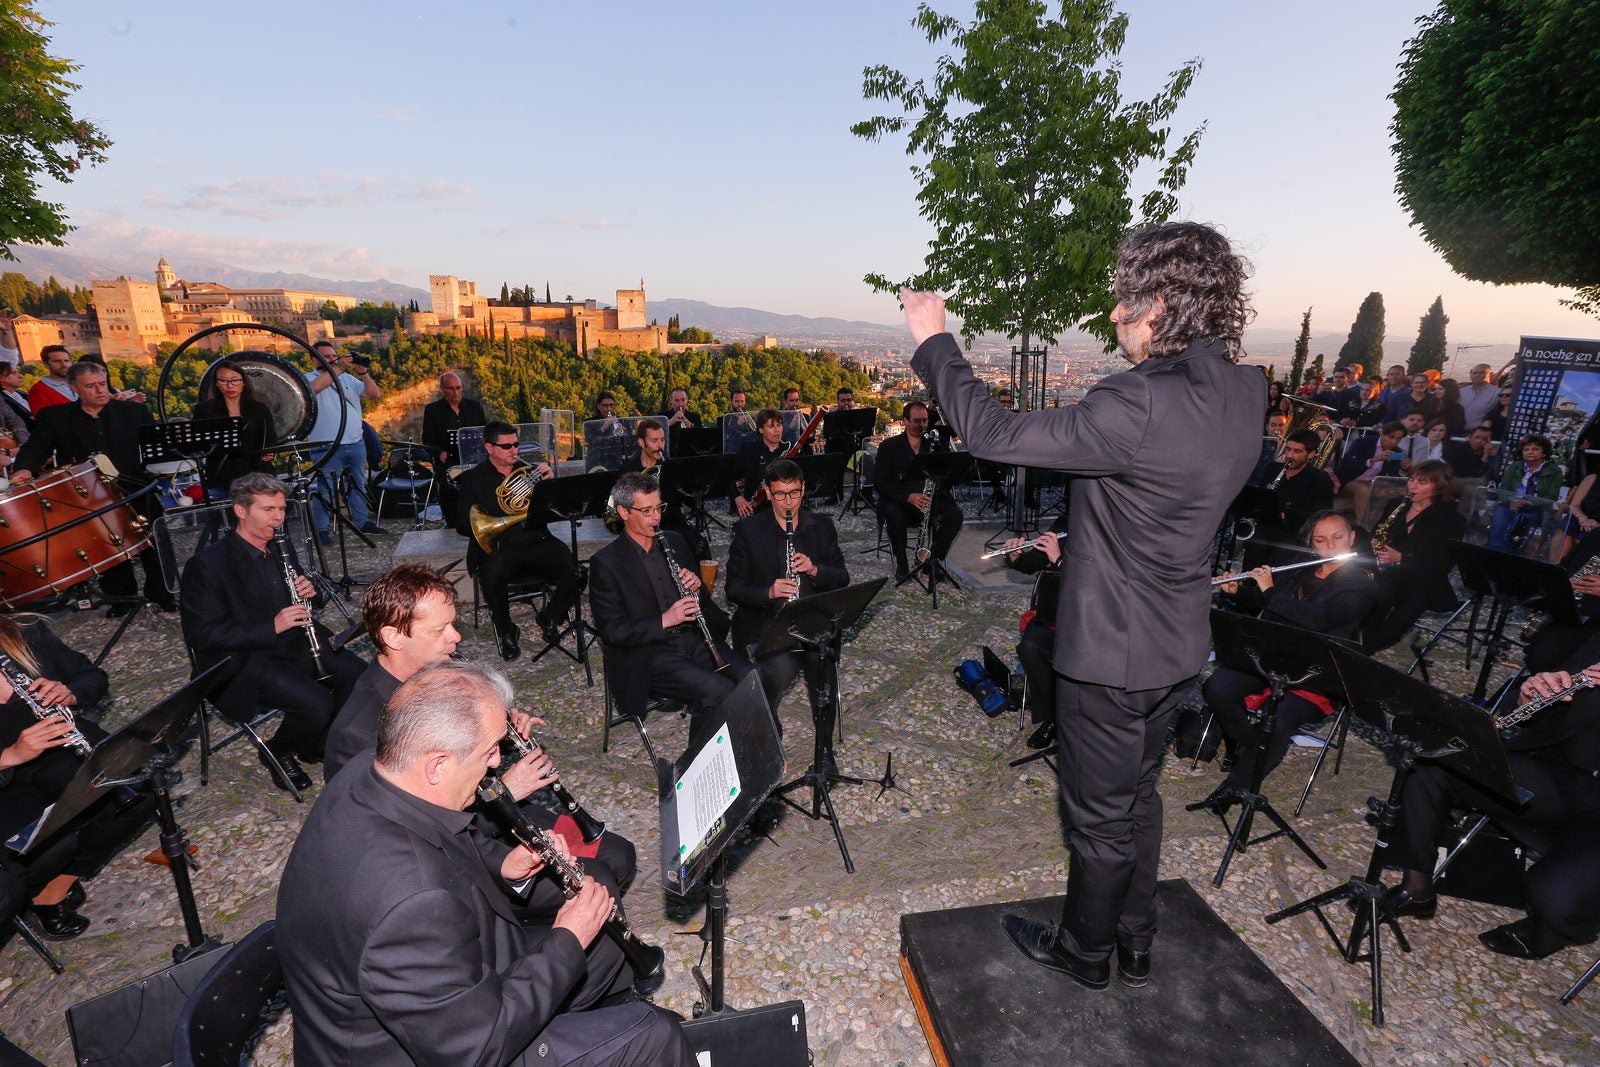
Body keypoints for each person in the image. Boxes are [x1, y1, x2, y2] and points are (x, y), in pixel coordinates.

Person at [902, 220, 1265, 990]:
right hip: (1179, 641)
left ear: (1159, 303)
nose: (1110, 317)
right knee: (1140, 795)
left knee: (1098, 819)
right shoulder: (1245, 389)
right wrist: (1087, 536)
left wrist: (937, 341)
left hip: (1111, 653)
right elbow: (1170, 496)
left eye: (1121, 303)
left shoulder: (1134, 400)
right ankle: (1137, 937)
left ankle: (1086, 953)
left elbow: (994, 432)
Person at [278, 660, 693, 1066]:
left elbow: (440, 847)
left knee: (606, 942)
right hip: (445, 1044)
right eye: (489, 750)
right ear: (437, 764)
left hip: (450, 981)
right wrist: (567, 936)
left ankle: (607, 1019)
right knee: (656, 1035)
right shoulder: (411, 902)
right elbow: (476, 1046)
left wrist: (508, 870)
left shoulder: (369, 774)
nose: (498, 761)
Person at [320, 565, 639, 912]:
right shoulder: (359, 734)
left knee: (619, 855)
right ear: (394, 637)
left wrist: (497, 730)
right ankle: (522, 943)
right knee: (598, 882)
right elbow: (412, 837)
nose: (455, 638)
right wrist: (507, 792)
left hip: (492, 816)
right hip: (460, 859)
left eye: (453, 624)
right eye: (440, 629)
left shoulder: (440, 671)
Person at [1383, 649, 1600, 962]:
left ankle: (1553, 930)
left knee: (1554, 900)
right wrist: (1532, 698)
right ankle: (1417, 887)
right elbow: (1548, 712)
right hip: (1560, 777)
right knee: (1437, 759)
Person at [179, 472, 366, 793]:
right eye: (268, 510)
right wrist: (272, 626)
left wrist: (311, 591)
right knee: (316, 702)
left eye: (281, 509)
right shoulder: (208, 565)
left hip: (294, 641)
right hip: (244, 658)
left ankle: (315, 743)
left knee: (359, 677)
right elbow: (202, 634)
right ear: (241, 510)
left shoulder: (280, 544)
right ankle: (277, 750)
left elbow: (304, 592)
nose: (279, 518)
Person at [0, 617, 154, 940]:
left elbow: (93, 677)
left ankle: (57, 886)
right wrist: (10, 755)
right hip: (8, 788)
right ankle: (39, 889)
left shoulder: (25, 633)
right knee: (50, 844)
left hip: (60, 756)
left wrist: (69, 692)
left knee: (141, 788)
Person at [1203, 511, 1376, 794]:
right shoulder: (1301, 568)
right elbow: (1266, 602)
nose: (1330, 546)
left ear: (1352, 538)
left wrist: (1270, 591)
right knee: (1216, 688)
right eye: (1321, 540)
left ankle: (1235, 787)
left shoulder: (1361, 584)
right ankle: (1247, 744)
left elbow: (1318, 620)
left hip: (1315, 672)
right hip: (1272, 656)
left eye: (1338, 537)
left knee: (1280, 719)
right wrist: (1236, 592)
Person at [589, 472, 750, 756]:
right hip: (649, 654)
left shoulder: (674, 541)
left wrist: (697, 587)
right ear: (624, 512)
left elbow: (699, 601)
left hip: (694, 639)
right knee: (718, 691)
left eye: (658, 508)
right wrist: (665, 619)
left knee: (751, 678)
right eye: (647, 510)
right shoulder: (606, 563)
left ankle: (749, 747)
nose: (656, 517)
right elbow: (612, 631)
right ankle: (698, 764)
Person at [11, 361, 171, 612]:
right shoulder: (56, 418)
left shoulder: (134, 412)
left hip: (134, 486)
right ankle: (121, 600)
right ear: (74, 387)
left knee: (155, 542)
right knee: (104, 545)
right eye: (90, 386)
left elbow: (155, 445)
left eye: (102, 384)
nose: (100, 391)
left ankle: (162, 593)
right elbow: (36, 447)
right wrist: (24, 469)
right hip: (89, 495)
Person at [724, 459, 849, 736]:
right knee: (779, 670)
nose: (788, 502)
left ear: (803, 490)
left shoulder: (821, 526)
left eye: (794, 493)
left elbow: (842, 577)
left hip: (812, 618)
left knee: (823, 667)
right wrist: (768, 592)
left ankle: (824, 746)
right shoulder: (749, 530)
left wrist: (815, 569)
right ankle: (764, 724)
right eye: (779, 494)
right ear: (768, 493)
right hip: (767, 621)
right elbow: (734, 588)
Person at [455, 421, 579, 662]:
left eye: (516, 444)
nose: (514, 451)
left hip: (536, 540)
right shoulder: (473, 479)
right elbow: (462, 523)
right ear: (489, 447)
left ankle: (551, 616)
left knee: (576, 572)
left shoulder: (530, 472)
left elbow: (557, 512)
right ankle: (507, 632)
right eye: (507, 446)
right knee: (492, 576)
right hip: (500, 546)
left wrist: (550, 487)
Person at [1362, 461, 1467, 651]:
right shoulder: (1396, 505)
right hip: (1388, 573)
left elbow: (1443, 563)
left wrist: (1402, 558)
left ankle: (1365, 648)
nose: (1413, 486)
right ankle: (1357, 637)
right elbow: (1375, 535)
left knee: (1399, 617)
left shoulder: (1451, 518)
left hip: (1423, 579)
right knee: (1371, 598)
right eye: (1411, 479)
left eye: (1422, 481)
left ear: (1439, 486)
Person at [304, 340, 383, 543]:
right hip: (326, 445)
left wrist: (363, 372)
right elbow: (315, 389)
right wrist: (338, 368)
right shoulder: (307, 379)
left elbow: (374, 394)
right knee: (325, 489)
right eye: (326, 356)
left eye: (333, 356)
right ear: (315, 359)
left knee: (358, 484)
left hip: (355, 442)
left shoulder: (347, 378)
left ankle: (362, 521)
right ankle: (322, 530)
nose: (331, 359)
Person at [875, 400, 963, 584]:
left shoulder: (934, 445)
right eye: (917, 421)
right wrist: (908, 497)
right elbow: (880, 483)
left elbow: (946, 476)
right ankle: (902, 563)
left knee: (955, 515)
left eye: (924, 421)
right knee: (894, 515)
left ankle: (933, 560)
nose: (922, 425)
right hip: (902, 501)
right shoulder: (889, 447)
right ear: (905, 421)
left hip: (930, 500)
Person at [1005, 515, 1070, 751]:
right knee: (1030, 647)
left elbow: (1106, 578)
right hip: (1059, 610)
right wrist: (1016, 556)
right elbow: (1034, 563)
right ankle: (1054, 717)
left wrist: (1061, 561)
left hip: (1097, 617)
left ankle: (1082, 719)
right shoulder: (1069, 519)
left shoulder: (1118, 526)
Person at [191, 359, 273, 494]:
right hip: (222, 474)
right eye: (223, 381)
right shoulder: (204, 410)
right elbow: (199, 443)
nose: (230, 385)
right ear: (216, 384)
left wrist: (269, 451)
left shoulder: (259, 408)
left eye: (235, 380)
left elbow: (270, 436)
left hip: (257, 473)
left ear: (243, 382)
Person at [421, 371, 487, 525]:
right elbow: (428, 440)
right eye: (451, 389)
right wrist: (439, 453)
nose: (455, 392)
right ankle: (453, 523)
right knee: (448, 485)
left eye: (458, 388)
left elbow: (484, 432)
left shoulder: (474, 407)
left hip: (474, 459)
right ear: (443, 389)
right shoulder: (433, 410)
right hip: (449, 461)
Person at [1488, 434, 1562, 554]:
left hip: (1537, 509)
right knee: (1499, 514)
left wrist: (1529, 502)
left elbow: (1551, 496)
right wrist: (1511, 500)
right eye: (1526, 449)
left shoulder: (1555, 471)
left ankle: (1511, 554)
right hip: (1511, 504)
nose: (1530, 452)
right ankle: (1494, 552)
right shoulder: (1514, 467)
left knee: (1520, 519)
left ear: (1544, 453)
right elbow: (1503, 488)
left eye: (1535, 449)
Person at [1335, 421, 1406, 520]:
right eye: (1391, 437)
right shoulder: (1362, 443)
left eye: (1398, 439)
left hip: (1374, 482)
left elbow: (1394, 475)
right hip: (1351, 480)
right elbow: (1351, 465)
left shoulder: (1397, 452)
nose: (1394, 442)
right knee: (1364, 490)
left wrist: (1404, 468)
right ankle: (1363, 527)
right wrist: (1374, 460)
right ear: (1381, 433)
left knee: (1402, 490)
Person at [1268, 428, 1334, 534]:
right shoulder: (1272, 469)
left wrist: (1286, 516)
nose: (1289, 455)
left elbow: (1319, 518)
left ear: (1311, 454)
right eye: (1288, 449)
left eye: (1297, 451)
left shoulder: (1321, 481)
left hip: (1294, 535)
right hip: (1265, 527)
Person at [731, 408, 786, 518]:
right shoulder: (749, 450)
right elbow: (729, 476)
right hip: (757, 510)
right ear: (761, 429)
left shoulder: (791, 449)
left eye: (779, 425)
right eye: (771, 426)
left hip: (785, 508)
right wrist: (737, 497)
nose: (777, 430)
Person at [25, 346, 76, 414]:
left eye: (67, 361)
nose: (64, 364)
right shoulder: (39, 390)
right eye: (57, 361)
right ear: (46, 364)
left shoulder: (79, 383)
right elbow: (44, 420)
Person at [1460, 362, 1500, 428]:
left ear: (1490, 374)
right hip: (1458, 433)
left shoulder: (1497, 393)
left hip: (1481, 434)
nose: (1477, 375)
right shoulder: (1462, 391)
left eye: (1482, 372)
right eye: (1474, 373)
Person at [0, 360, 32, 438]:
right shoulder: (2, 402)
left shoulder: (21, 394)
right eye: (14, 373)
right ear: (1, 378)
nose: (20, 376)